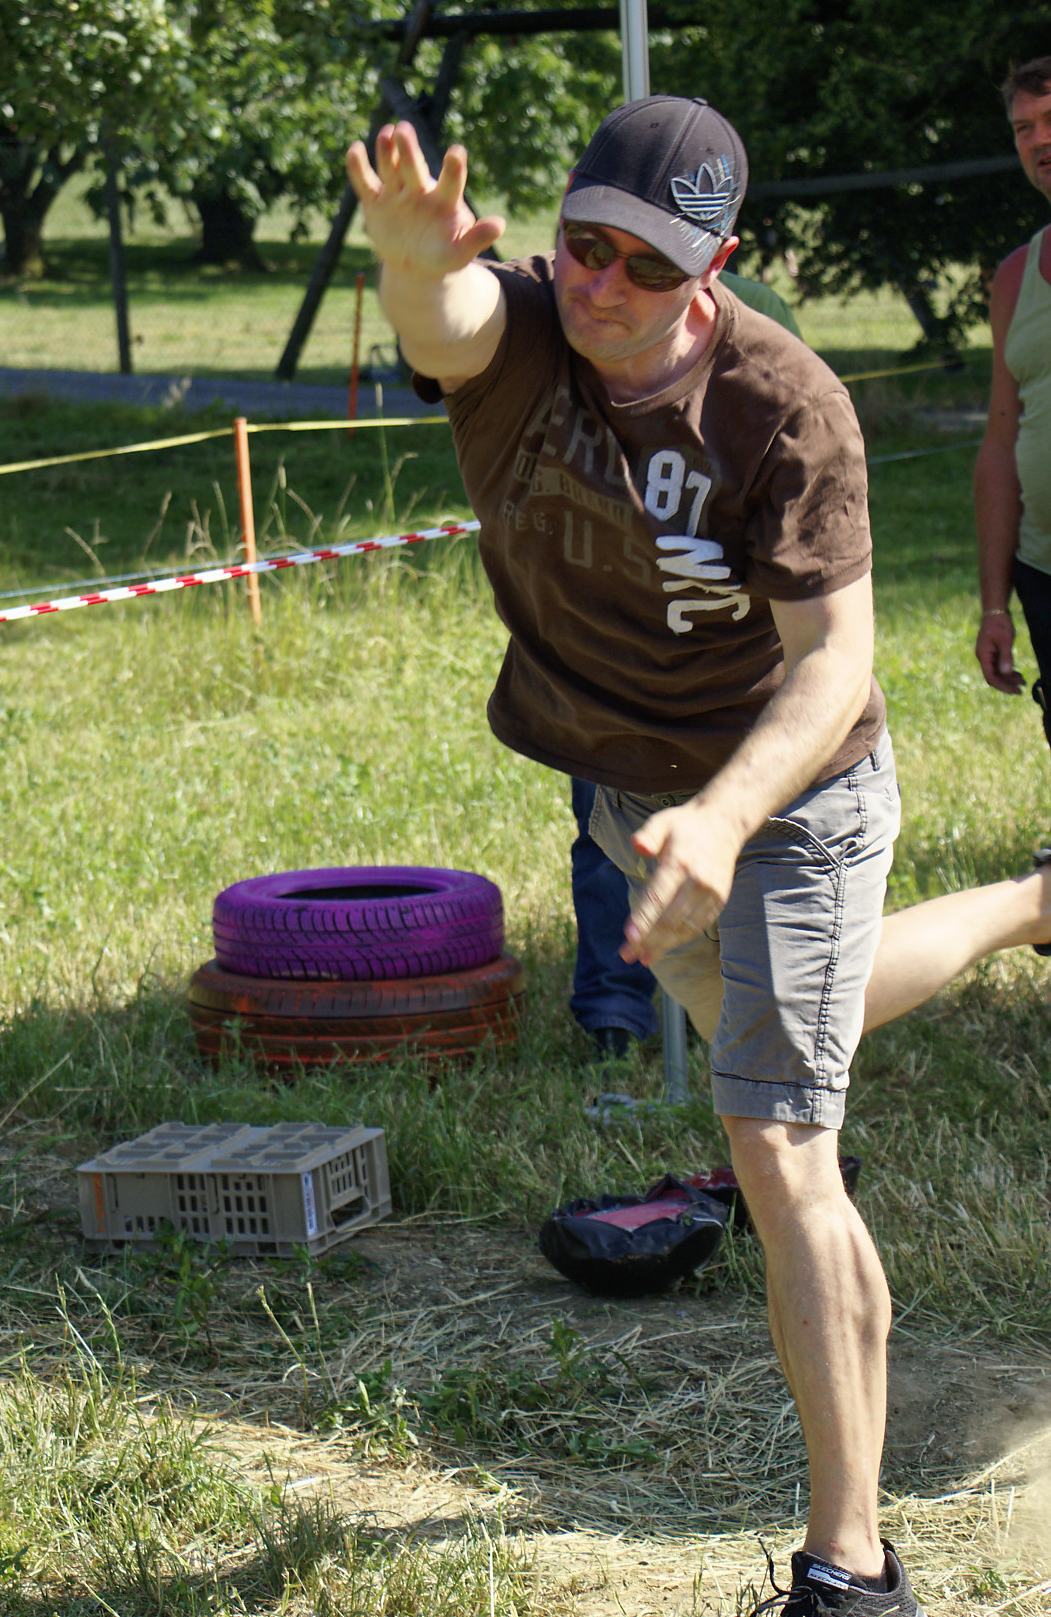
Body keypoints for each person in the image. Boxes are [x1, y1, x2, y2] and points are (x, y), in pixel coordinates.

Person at [345, 94, 1038, 1617]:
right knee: (796, 1055)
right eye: (584, 245)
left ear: (713, 267)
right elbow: (454, 321)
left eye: (647, 265)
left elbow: (835, 661)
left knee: (778, 1141)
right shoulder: (527, 332)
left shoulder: (785, 407)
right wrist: (406, 262)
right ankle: (1030, 904)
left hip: (788, 803)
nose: (602, 285)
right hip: (632, 801)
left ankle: (850, 1567)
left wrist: (726, 818)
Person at [571, 264, 803, 1072]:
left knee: (753, 853)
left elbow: (788, 462)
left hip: (726, 655)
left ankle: (765, 1010)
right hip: (610, 652)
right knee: (606, 839)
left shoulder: (760, 316)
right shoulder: (579, 308)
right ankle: (612, 1008)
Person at [975, 56, 1051, 758]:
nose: (1038, 139)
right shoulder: (1015, 277)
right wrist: (994, 606)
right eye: (1023, 128)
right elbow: (1000, 447)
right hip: (1044, 572)